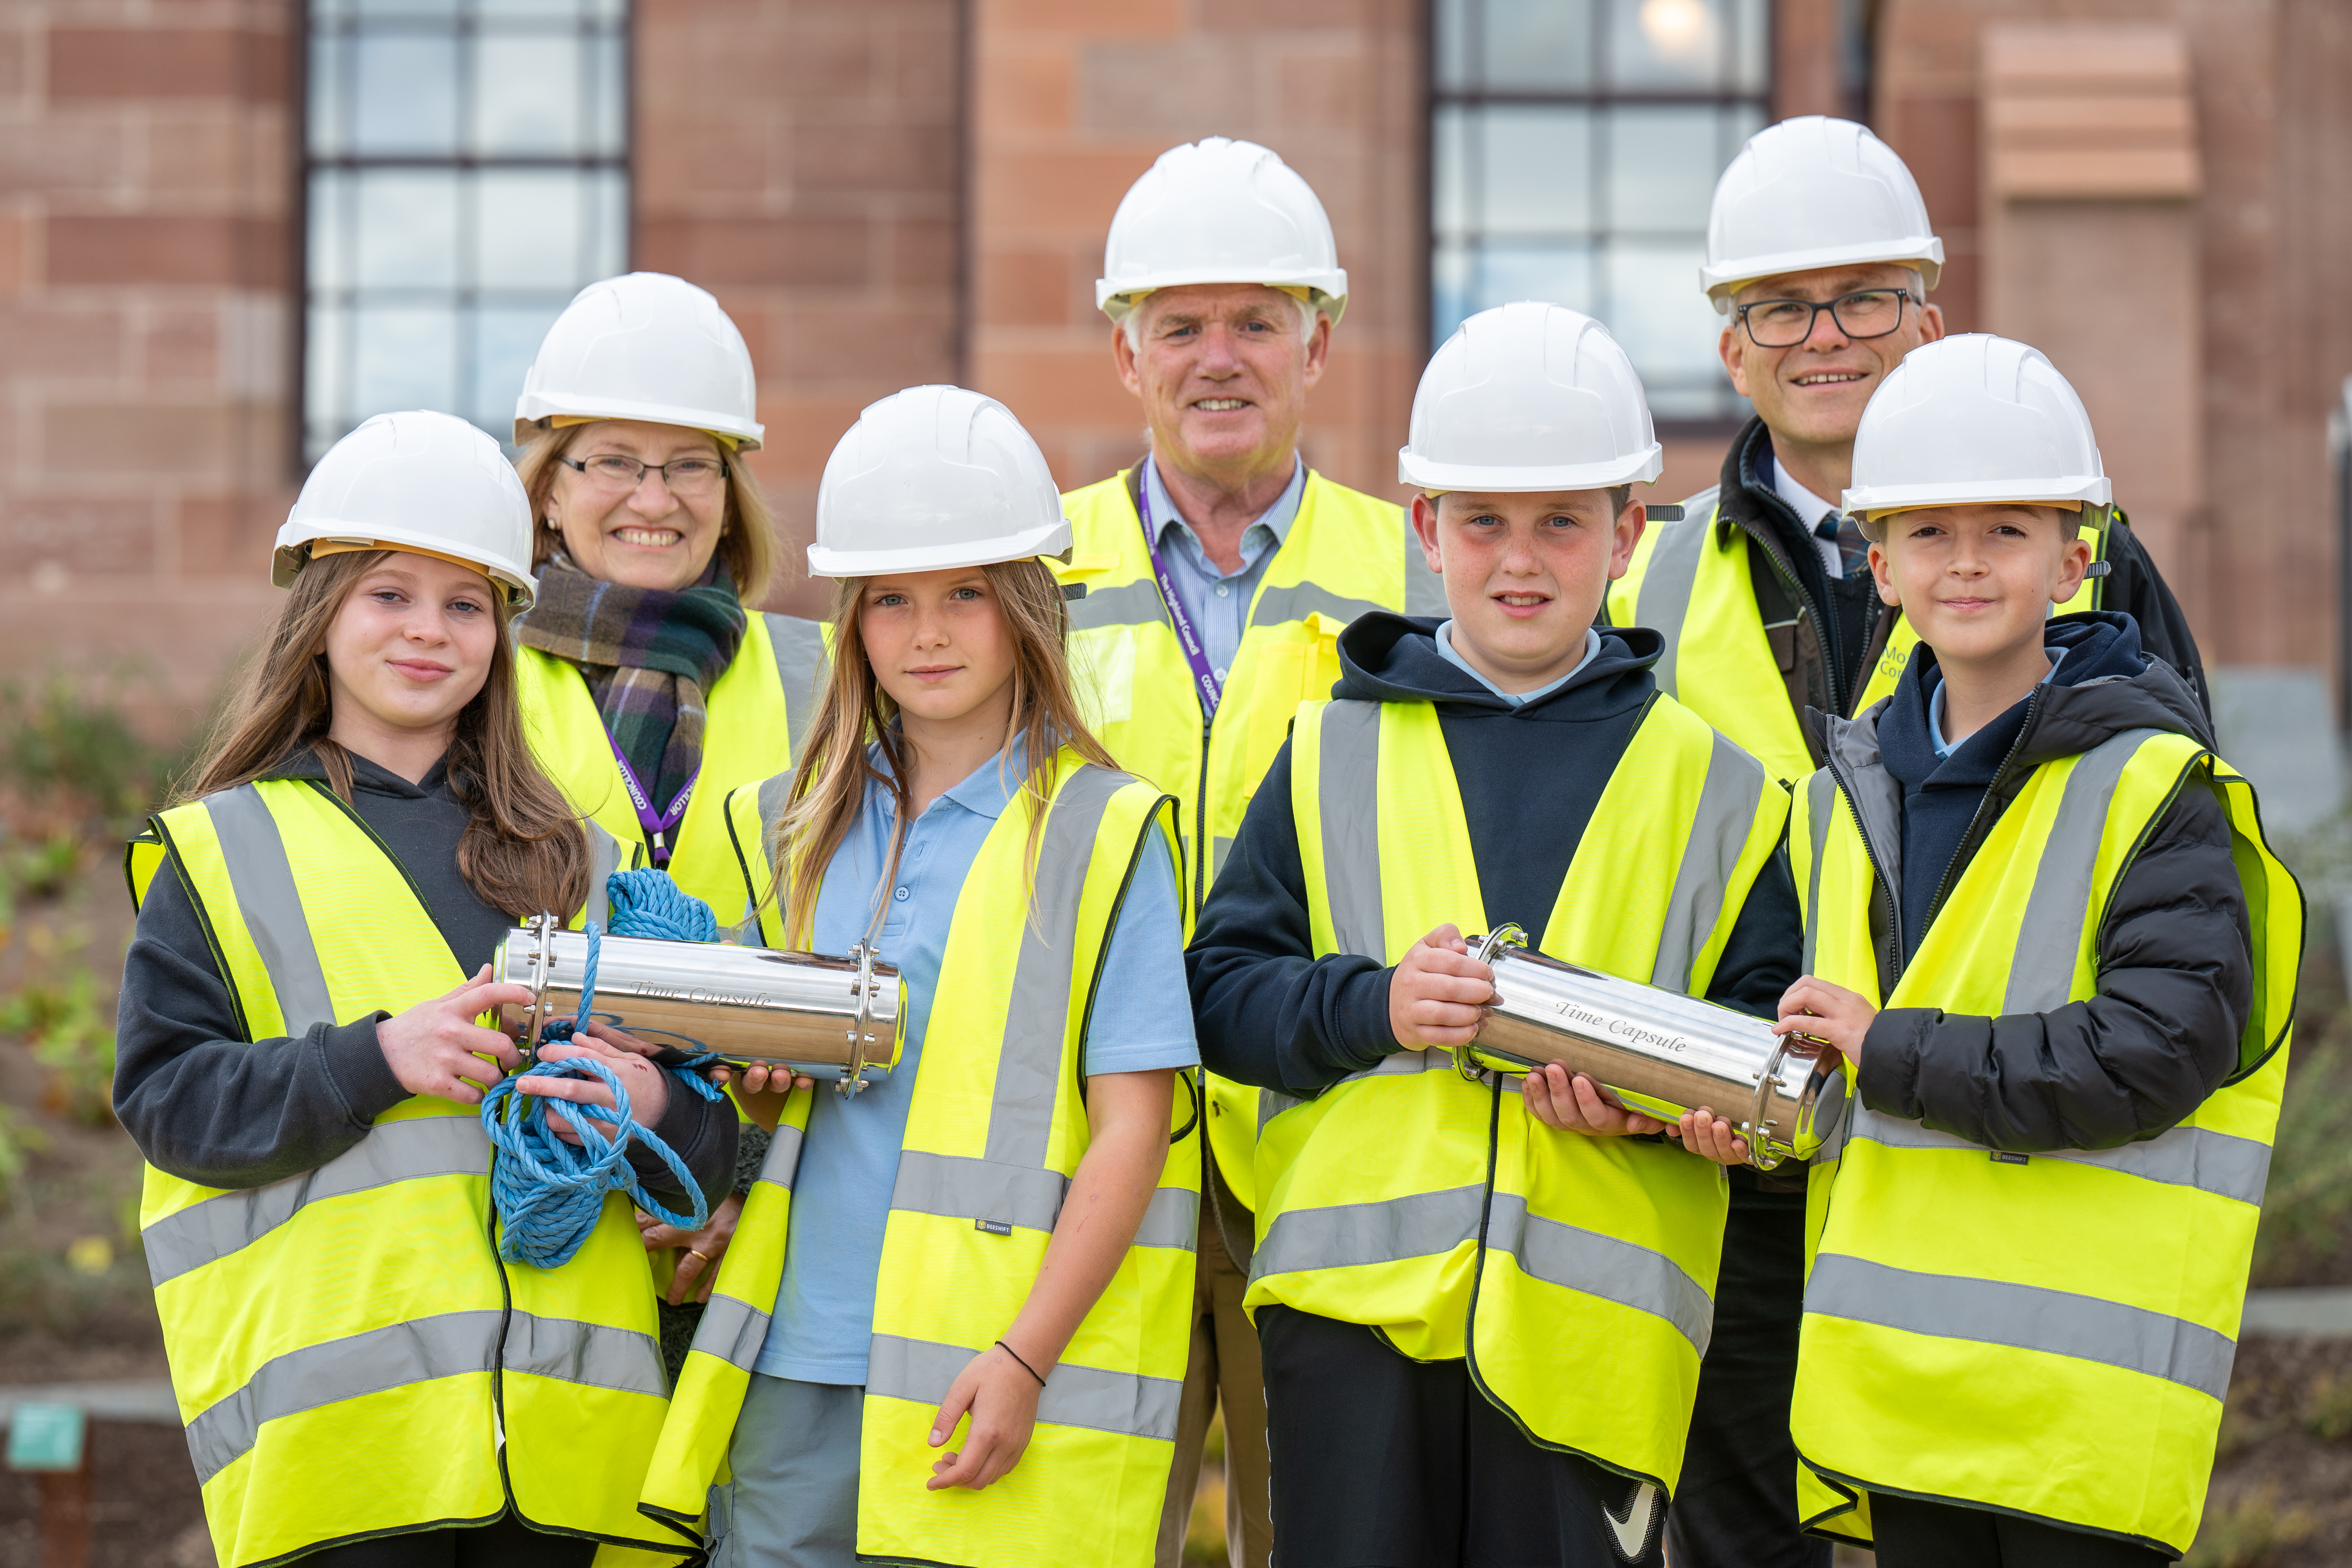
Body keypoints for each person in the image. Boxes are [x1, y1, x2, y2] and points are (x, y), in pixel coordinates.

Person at [1604, 115, 2210, 1568]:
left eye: (1861, 296)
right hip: (1737, 1171)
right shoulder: (1654, 572)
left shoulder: (2077, 548)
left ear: (1924, 316)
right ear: (1729, 341)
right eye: (1777, 305)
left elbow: (2159, 846)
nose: (1823, 335)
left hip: (1985, 1174)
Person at [1188, 303, 1802, 1568]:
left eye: (1561, 523)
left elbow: (1763, 1049)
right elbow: (1217, 997)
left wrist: (1651, 1107)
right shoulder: (1326, 750)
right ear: (1425, 529)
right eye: (1482, 522)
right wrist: (1372, 1007)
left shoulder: (1720, 787)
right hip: (1351, 1332)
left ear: (1628, 532)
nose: (1519, 561)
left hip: (1590, 1351)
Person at [113, 411, 740, 1568]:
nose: (426, 632)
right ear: (320, 614)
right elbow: (168, 1104)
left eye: (465, 605)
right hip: (354, 1464)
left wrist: (654, 1109)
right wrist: (376, 1060)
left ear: (503, 636)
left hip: (568, 1466)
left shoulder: (591, 868)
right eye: (389, 595)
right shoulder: (223, 849)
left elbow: (707, 1147)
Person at [634, 385, 1203, 1568]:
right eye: (891, 599)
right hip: (793, 1345)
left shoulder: (1103, 832)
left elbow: (1132, 1133)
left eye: (965, 595)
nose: (928, 632)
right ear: (851, 621)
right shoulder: (781, 829)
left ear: (1027, 610)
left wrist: (1024, 1354)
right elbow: (744, 1088)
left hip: (981, 1360)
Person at [1778, 333, 2298, 1565]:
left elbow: (2154, 1053)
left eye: (2005, 531)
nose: (1965, 562)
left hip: (2078, 1417)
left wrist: (1884, 1047)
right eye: (1927, 533)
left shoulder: (2156, 786)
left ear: (2075, 561)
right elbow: (1811, 1044)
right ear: (1879, 566)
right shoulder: (1841, 796)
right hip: (1904, 1399)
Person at [1059, 135, 1447, 1568]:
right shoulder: (1030, 576)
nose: (1215, 357)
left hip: (1331, 1143)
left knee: (1335, 1541)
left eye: (1254, 322)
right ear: (1124, 355)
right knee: (1091, 1533)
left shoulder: (1413, 579)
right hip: (1095, 1151)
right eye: (1178, 326)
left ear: (1319, 342)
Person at [509, 269, 827, 1370]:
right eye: (612, 462)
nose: (657, 497)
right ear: (548, 489)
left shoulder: (826, 678)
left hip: (765, 1228)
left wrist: (724, 1176)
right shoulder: (470, 680)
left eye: (692, 464)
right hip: (543, 1215)